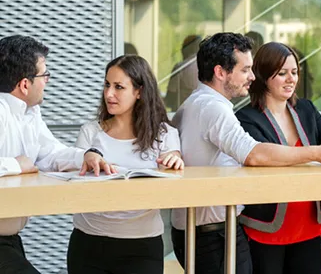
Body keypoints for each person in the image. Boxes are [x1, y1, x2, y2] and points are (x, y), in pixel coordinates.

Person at [169, 32, 321, 274]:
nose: (252, 77)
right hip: (212, 233)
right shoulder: (214, 109)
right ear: (220, 72)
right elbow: (254, 154)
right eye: (245, 70)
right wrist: (317, 153)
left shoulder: (196, 103)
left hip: (204, 230)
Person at [235, 42, 321, 274]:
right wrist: (318, 153)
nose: (291, 79)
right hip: (265, 227)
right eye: (282, 73)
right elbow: (262, 159)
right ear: (264, 75)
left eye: (294, 73)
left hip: (309, 226)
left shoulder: (306, 109)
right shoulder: (246, 118)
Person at [67, 55, 184, 274]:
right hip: (89, 243)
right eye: (107, 85)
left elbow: (173, 162)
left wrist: (175, 160)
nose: (109, 94)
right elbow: (75, 186)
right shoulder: (91, 132)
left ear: (139, 91)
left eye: (119, 87)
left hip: (142, 245)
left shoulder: (163, 134)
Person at [0, 35, 87, 274]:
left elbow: (51, 154)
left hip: (11, 239)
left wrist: (87, 156)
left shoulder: (30, 113)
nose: (47, 81)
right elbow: (24, 163)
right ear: (25, 84)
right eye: (44, 75)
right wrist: (16, 164)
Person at [165, 34, 202, 111]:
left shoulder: (180, 68)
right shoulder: (209, 67)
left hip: (182, 115)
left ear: (185, 49)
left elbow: (170, 99)